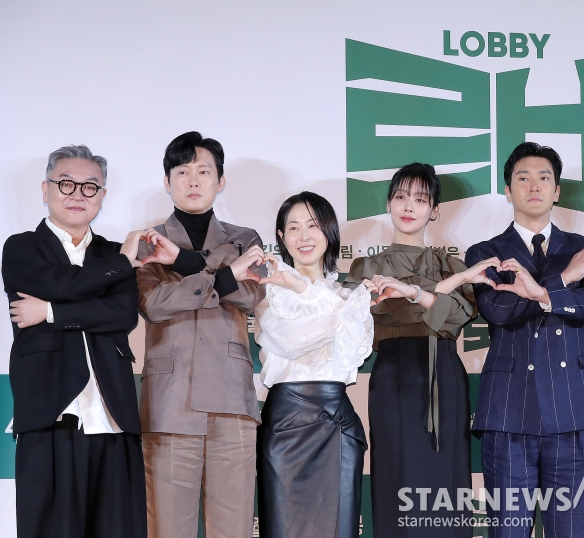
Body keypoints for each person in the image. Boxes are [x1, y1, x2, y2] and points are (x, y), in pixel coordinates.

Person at [466, 142, 584, 537]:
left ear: (557, 190)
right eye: (523, 178)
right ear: (508, 190)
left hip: (573, 407)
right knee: (508, 530)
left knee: (570, 530)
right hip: (509, 410)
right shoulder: (486, 253)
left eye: (544, 178)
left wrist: (539, 294)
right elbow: (499, 309)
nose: (534, 186)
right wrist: (564, 280)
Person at [342, 163, 497, 538]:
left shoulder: (451, 264)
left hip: (445, 375)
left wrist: (414, 293)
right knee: (395, 478)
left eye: (421, 199)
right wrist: (430, 298)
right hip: (393, 377)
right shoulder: (367, 267)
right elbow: (381, 314)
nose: (409, 206)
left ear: (435, 210)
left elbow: (456, 319)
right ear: (388, 204)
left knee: (447, 483)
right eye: (400, 196)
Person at [3, 145, 147, 538]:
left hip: (113, 416)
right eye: (66, 183)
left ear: (102, 195)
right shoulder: (21, 247)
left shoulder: (111, 252)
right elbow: (56, 282)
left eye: (89, 186)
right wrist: (120, 266)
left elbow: (122, 315)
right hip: (49, 413)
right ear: (46, 189)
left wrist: (50, 311)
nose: (77, 194)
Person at [136, 131, 267, 538]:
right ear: (167, 181)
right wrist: (225, 275)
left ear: (220, 181)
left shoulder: (245, 239)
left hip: (232, 402)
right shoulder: (147, 243)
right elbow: (153, 304)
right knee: (167, 528)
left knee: (233, 528)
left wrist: (182, 263)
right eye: (182, 171)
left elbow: (249, 296)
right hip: (168, 402)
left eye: (204, 171)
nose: (193, 181)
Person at [254, 192, 374, 538]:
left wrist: (307, 290)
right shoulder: (266, 292)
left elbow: (354, 354)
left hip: (336, 425)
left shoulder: (349, 297)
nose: (304, 236)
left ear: (329, 232)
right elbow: (291, 341)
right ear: (281, 237)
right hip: (285, 425)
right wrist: (300, 288)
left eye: (313, 225)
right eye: (294, 227)